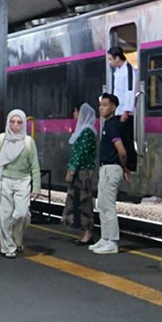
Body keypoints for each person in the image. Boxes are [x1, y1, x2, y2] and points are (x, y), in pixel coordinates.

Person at [0, 109, 41, 259]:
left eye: (19, 122)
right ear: (8, 122)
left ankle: (17, 238)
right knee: (4, 216)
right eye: (12, 122)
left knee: (21, 214)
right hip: (4, 180)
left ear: (23, 124)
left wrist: (37, 187)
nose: (15, 125)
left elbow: (35, 166)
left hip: (23, 181)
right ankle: (8, 247)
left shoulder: (28, 142)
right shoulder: (2, 139)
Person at [90, 93, 131, 254]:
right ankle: (105, 238)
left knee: (108, 205)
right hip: (106, 168)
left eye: (105, 105)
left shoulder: (112, 126)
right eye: (101, 105)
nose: (101, 108)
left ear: (113, 107)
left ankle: (112, 241)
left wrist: (123, 166)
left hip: (111, 168)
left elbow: (121, 151)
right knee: (101, 204)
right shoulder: (108, 124)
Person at [64, 103, 98, 245]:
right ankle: (85, 232)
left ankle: (88, 233)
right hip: (82, 171)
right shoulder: (86, 130)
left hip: (81, 173)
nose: (74, 115)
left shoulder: (86, 131)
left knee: (84, 202)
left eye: (75, 111)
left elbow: (79, 154)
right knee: (80, 201)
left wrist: (71, 171)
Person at [108, 46, 138, 124]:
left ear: (117, 58)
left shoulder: (128, 69)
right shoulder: (117, 70)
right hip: (117, 111)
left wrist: (126, 111)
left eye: (110, 59)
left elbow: (130, 90)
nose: (109, 62)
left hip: (124, 113)